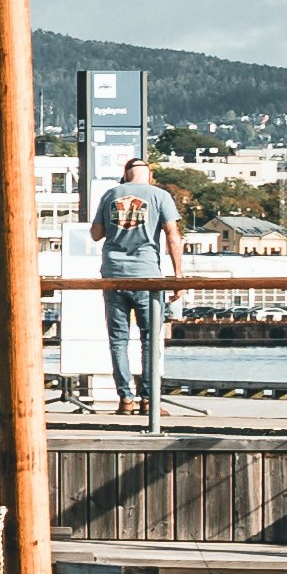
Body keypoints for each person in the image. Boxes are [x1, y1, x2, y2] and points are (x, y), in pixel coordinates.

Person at [92, 161, 183, 409]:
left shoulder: (110, 195)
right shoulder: (160, 196)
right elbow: (173, 236)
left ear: (125, 175)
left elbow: (96, 234)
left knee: (118, 339)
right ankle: (148, 399)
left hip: (113, 274)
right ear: (150, 176)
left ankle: (125, 398)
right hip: (148, 275)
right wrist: (178, 276)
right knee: (150, 339)